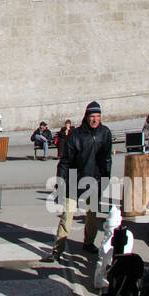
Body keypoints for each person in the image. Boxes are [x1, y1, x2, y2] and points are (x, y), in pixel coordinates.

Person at [47, 100, 112, 261]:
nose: (95, 119)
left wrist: (105, 178)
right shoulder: (76, 135)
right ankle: (57, 249)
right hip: (75, 180)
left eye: (98, 116)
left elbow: (107, 159)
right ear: (87, 116)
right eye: (92, 116)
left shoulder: (105, 133)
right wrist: (60, 181)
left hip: (95, 180)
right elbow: (65, 161)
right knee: (67, 217)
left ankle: (88, 242)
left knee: (92, 216)